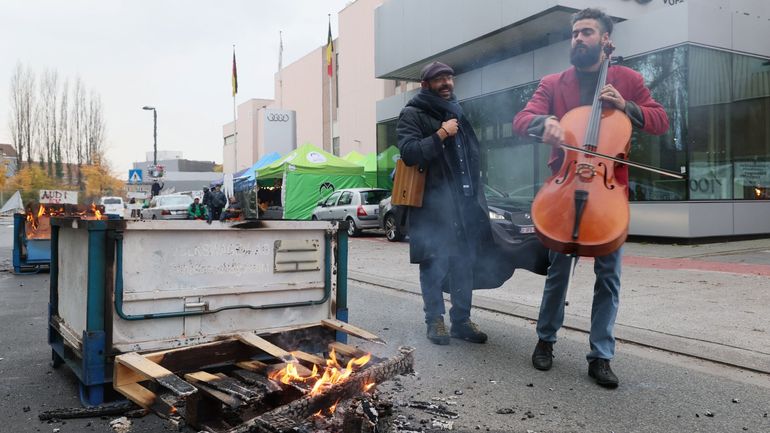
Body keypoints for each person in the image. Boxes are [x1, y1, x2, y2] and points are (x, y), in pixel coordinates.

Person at [513, 7, 669, 388]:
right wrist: (543, 123)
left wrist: (627, 107)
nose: (578, 39)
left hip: (606, 192)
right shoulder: (554, 82)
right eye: (574, 33)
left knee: (609, 278)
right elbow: (523, 119)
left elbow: (660, 119)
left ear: (604, 39)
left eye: (586, 33)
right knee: (558, 273)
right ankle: (545, 340)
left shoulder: (627, 79)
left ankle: (601, 355)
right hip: (565, 188)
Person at [396, 61, 539, 346]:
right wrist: (441, 134)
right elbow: (410, 153)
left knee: (464, 263)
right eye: (439, 79)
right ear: (426, 85)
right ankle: (434, 321)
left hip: (464, 205)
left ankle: (460, 321)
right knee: (433, 264)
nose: (447, 83)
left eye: (449, 77)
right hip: (433, 208)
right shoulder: (413, 114)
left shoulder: (457, 112)